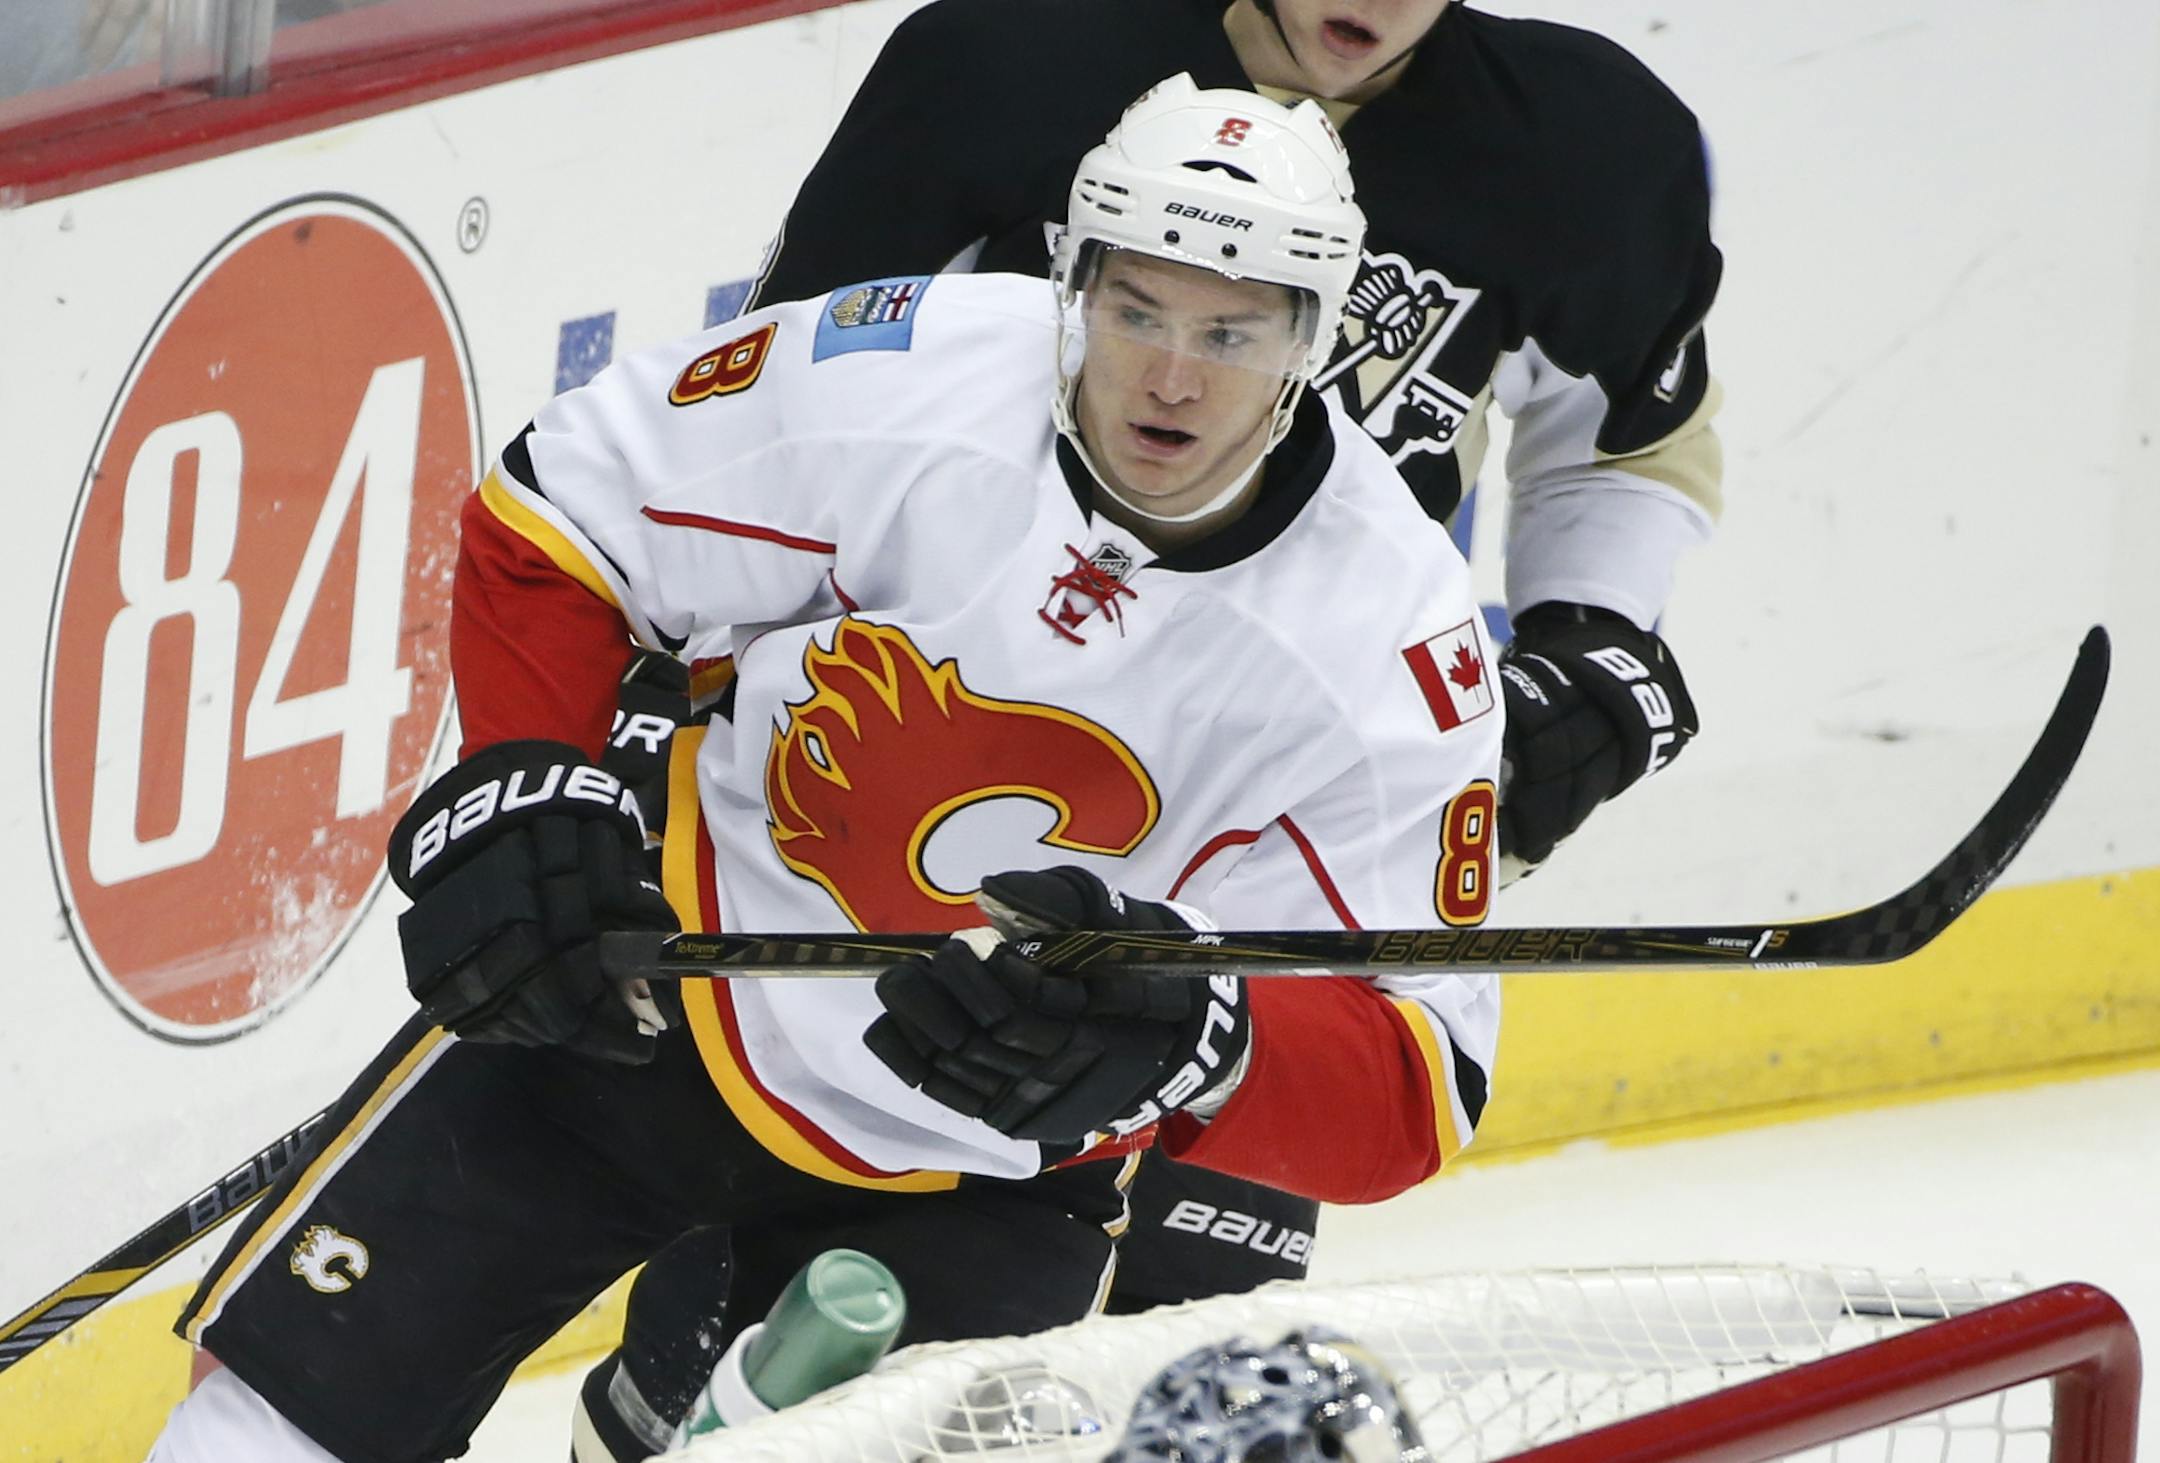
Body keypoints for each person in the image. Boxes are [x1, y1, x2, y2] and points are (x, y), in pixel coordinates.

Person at [146, 77, 1503, 1463]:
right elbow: (554, 520)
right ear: (1071, 283)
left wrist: (1195, 1041)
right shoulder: (905, 375)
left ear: (1312, 338)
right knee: (258, 1438)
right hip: (647, 989)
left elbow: (1421, 1076)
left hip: (978, 1169)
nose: (1172, 375)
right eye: (1136, 312)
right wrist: (535, 778)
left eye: (1232, 332)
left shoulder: (1387, 636)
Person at [575, 3, 1723, 1446]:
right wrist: (640, 706)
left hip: (1268, 835)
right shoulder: (1010, 57)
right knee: (755, 1384)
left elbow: (1625, 439)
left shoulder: (1586, 140)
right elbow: (776, 422)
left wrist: (1591, 640)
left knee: (1181, 1379)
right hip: (938, 830)